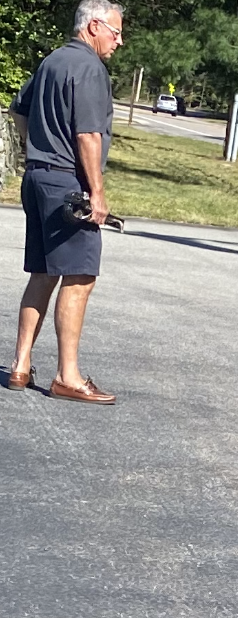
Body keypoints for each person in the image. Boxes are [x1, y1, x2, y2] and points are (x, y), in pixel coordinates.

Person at [6, 0, 125, 404]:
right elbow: (88, 135)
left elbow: (18, 111)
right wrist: (97, 192)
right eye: (115, 31)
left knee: (43, 272)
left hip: (37, 176)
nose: (119, 41)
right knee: (79, 275)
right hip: (67, 185)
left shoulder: (51, 61)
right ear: (94, 26)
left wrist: (35, 148)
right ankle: (67, 376)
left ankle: (21, 366)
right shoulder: (90, 68)